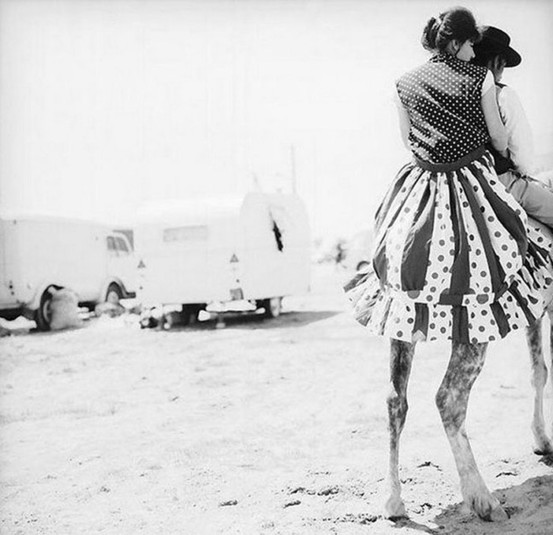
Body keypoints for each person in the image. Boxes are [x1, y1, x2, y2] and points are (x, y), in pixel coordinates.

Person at [344, 7, 552, 345]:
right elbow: (500, 140)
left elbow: (407, 140)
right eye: (470, 45)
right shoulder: (482, 79)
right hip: (478, 177)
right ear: (456, 44)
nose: (472, 52)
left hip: (424, 180)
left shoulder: (403, 83)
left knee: (390, 220)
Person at [473, 26, 553, 227]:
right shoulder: (503, 95)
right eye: (503, 63)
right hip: (500, 180)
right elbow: (522, 155)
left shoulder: (455, 91)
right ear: (497, 61)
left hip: (467, 179)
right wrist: (521, 171)